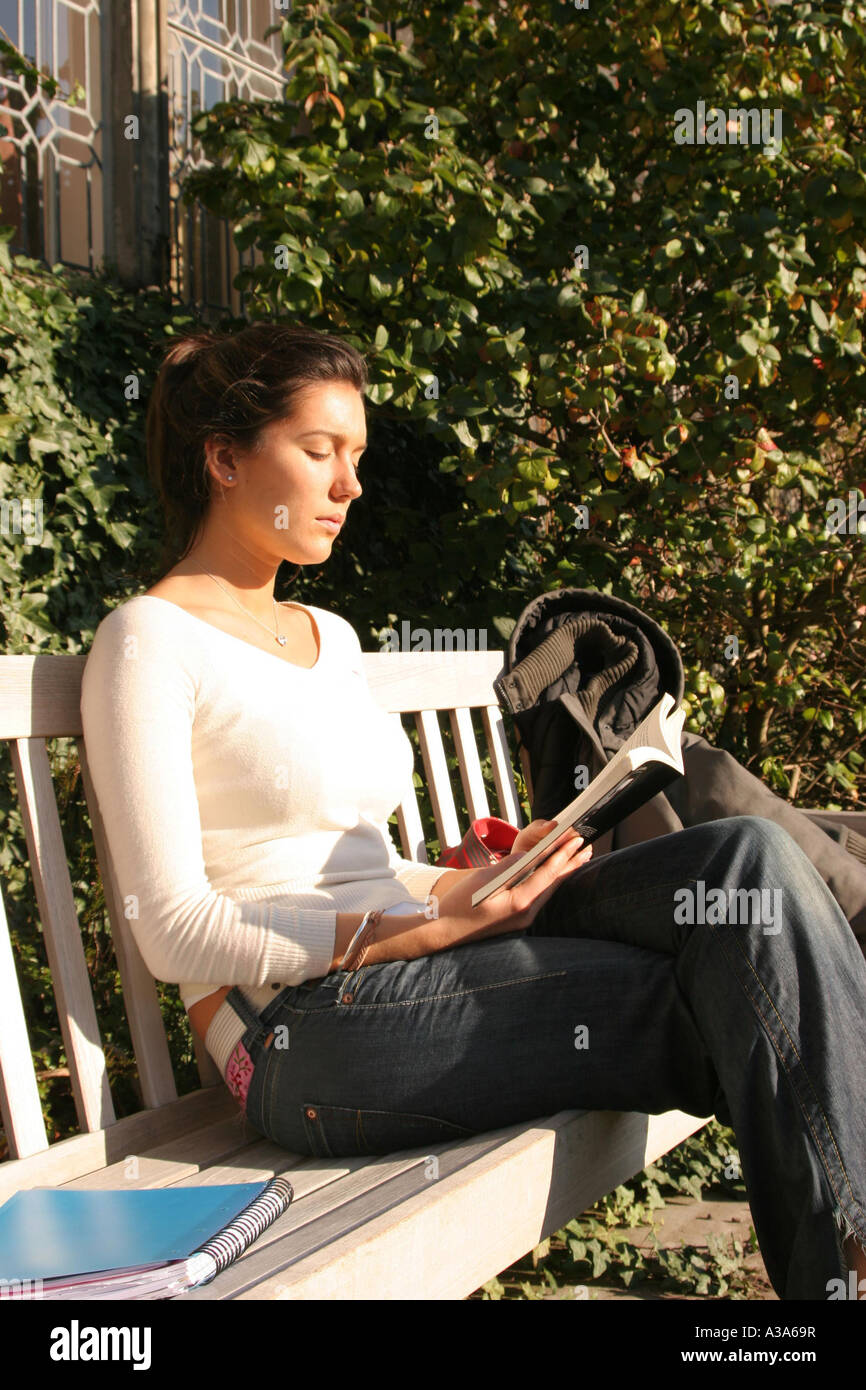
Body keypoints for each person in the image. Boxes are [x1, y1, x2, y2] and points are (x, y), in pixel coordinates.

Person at [80, 321, 866, 1301]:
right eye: (320, 452)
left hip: (423, 961)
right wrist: (411, 931)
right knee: (758, 991)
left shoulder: (327, 632)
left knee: (744, 868)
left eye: (356, 458)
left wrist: (480, 881)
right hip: (300, 1032)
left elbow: (373, 857)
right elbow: (171, 928)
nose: (349, 486)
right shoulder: (148, 640)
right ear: (225, 459)